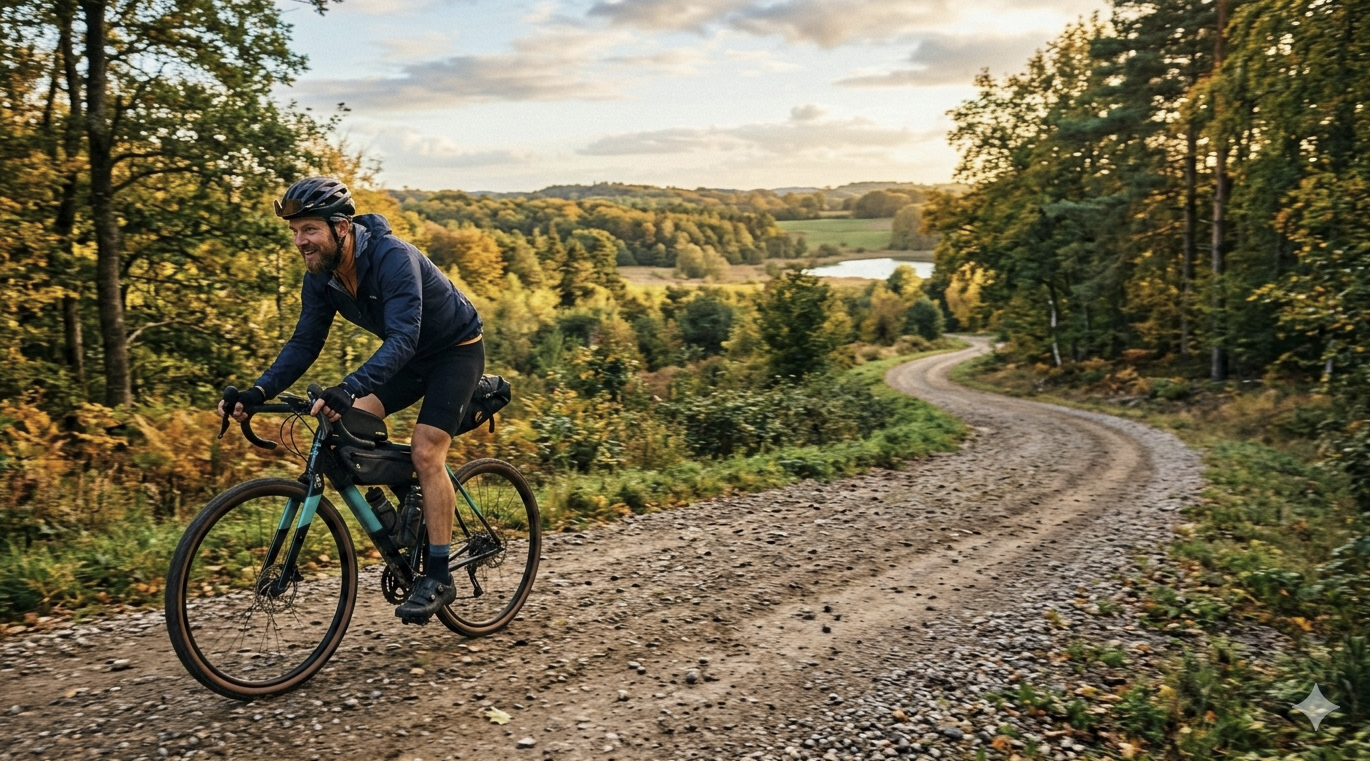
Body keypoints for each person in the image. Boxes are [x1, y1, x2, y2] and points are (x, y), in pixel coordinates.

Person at [217, 176, 484, 623]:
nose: (300, 241)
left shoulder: (392, 257)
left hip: (454, 352)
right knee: (345, 427)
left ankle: (439, 575)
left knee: (426, 451)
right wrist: (259, 391)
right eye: (295, 231)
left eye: (310, 229)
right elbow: (305, 342)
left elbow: (403, 336)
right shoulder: (321, 276)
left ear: (341, 227)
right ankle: (411, 505)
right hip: (408, 359)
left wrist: (350, 386)